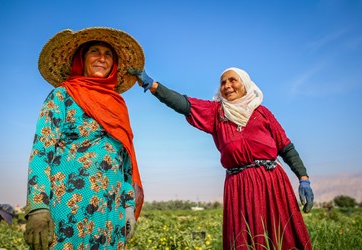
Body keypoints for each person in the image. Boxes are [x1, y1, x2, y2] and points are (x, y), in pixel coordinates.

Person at [128, 67, 314, 249]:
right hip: (239, 185)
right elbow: (184, 104)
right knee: (246, 237)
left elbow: (286, 147)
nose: (227, 86)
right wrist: (154, 86)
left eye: (233, 80)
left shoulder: (263, 113)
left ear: (246, 84)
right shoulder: (217, 112)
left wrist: (303, 178)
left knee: (281, 235)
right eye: (223, 82)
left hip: (271, 184)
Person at [24, 27, 145, 250]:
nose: (102, 58)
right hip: (68, 210)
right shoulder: (63, 95)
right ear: (82, 58)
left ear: (114, 63)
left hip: (110, 215)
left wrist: (129, 206)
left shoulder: (118, 106)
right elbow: (42, 150)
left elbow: (125, 162)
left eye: (108, 54)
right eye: (95, 51)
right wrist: (38, 207)